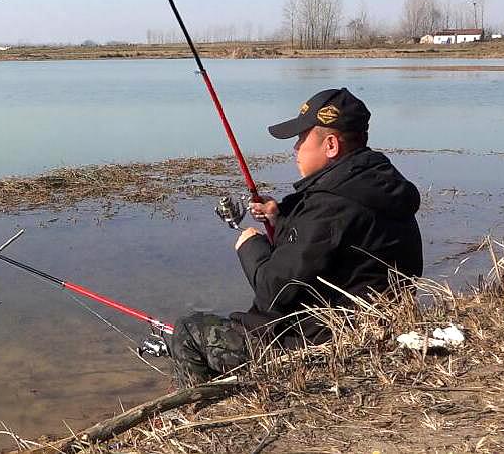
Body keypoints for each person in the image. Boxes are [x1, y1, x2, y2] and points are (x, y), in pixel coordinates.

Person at [169, 88, 423, 385]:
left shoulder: (330, 206)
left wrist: (250, 245)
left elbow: (273, 291)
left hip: (320, 347)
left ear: (330, 145)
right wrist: (281, 218)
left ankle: (195, 411)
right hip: (368, 330)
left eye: (302, 139)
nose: (296, 148)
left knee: (189, 331)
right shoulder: (378, 184)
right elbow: (331, 246)